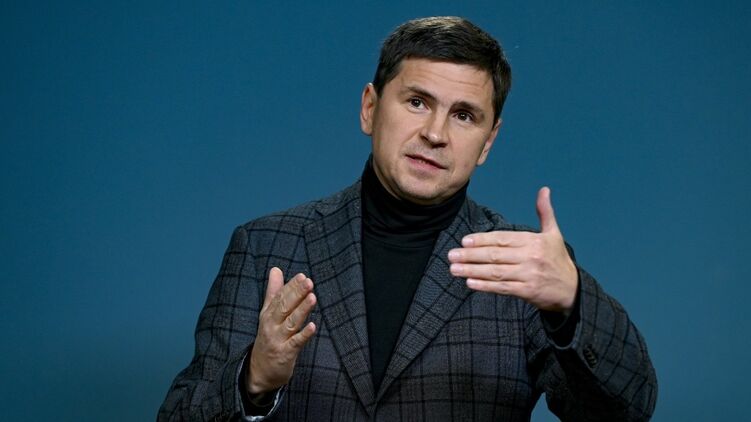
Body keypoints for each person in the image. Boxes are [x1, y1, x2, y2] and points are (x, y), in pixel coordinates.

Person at [158, 16, 657, 421]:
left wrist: (572, 304)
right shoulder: (264, 246)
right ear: (370, 108)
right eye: (417, 102)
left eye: (464, 115)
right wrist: (252, 380)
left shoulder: (525, 267)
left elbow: (625, 412)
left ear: (488, 141)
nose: (436, 133)